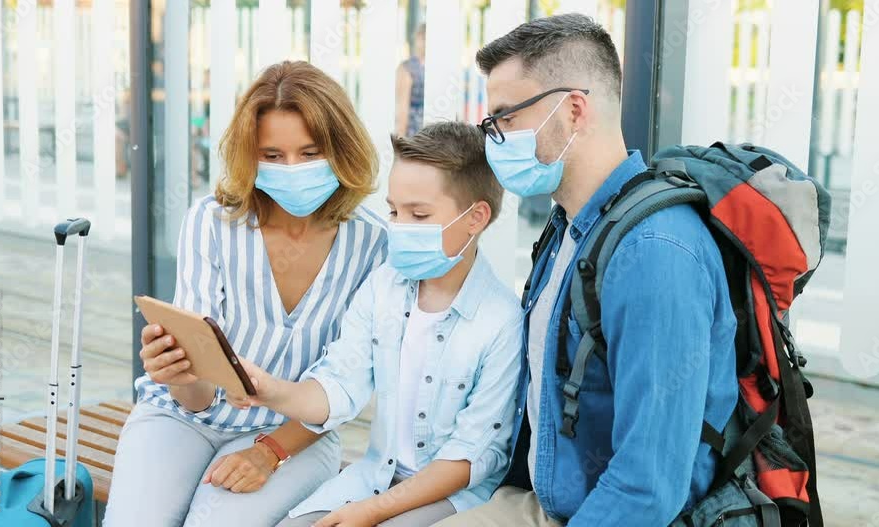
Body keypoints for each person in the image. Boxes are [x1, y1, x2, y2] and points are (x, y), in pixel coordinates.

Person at [437, 14, 739, 526]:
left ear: (574, 109)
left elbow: (647, 487)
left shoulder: (654, 252)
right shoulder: (572, 226)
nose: (495, 140)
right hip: (548, 497)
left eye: (506, 118)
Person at [103, 61, 388, 527]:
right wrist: (175, 372)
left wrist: (269, 453)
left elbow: (346, 387)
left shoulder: (375, 245)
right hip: (180, 418)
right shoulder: (211, 221)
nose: (291, 169)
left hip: (294, 434)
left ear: (341, 150)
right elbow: (193, 398)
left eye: (310, 152)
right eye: (271, 155)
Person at [229, 122, 523, 527]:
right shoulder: (384, 285)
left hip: (450, 497)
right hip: (374, 478)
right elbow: (340, 384)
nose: (398, 227)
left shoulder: (502, 321)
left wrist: (370, 512)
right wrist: (270, 390)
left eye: (418, 214)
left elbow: (470, 457)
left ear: (476, 218)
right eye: (393, 211)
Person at [395, 24, 425, 137]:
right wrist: (400, 137)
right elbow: (403, 106)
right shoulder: (407, 68)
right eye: (423, 38)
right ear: (417, 38)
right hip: (414, 129)